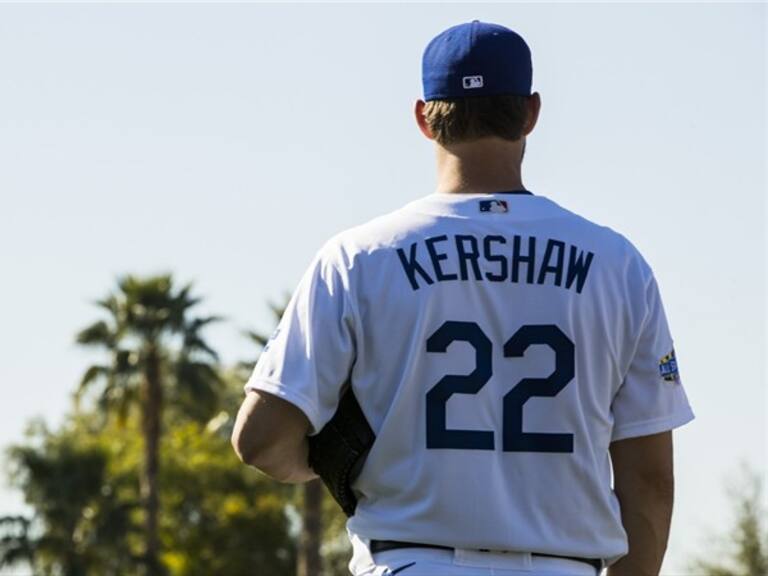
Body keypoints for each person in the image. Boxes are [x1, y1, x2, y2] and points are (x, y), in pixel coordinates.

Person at [231, 20, 695, 576]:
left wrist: (332, 464)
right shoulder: (616, 264)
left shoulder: (358, 258)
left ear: (424, 118)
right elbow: (649, 479)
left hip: (408, 561)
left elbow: (259, 439)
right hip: (562, 565)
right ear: (531, 113)